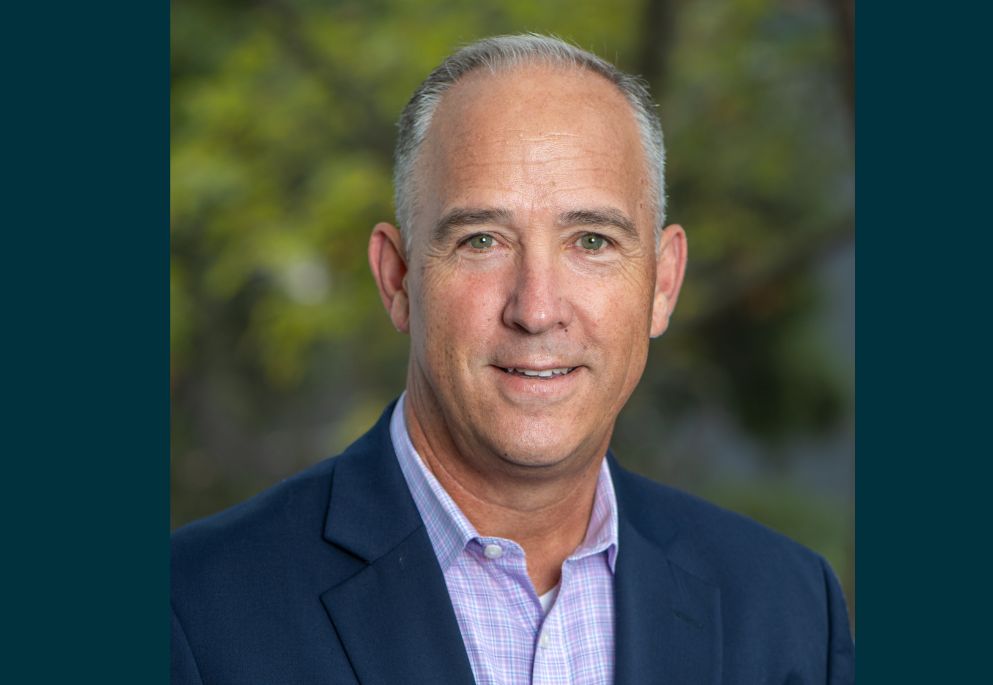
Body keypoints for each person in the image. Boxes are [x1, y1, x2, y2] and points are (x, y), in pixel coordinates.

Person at [171, 34, 854, 684]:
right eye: (481, 240)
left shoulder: (787, 609)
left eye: (590, 240)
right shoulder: (193, 610)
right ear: (398, 278)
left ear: (663, 282)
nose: (535, 308)